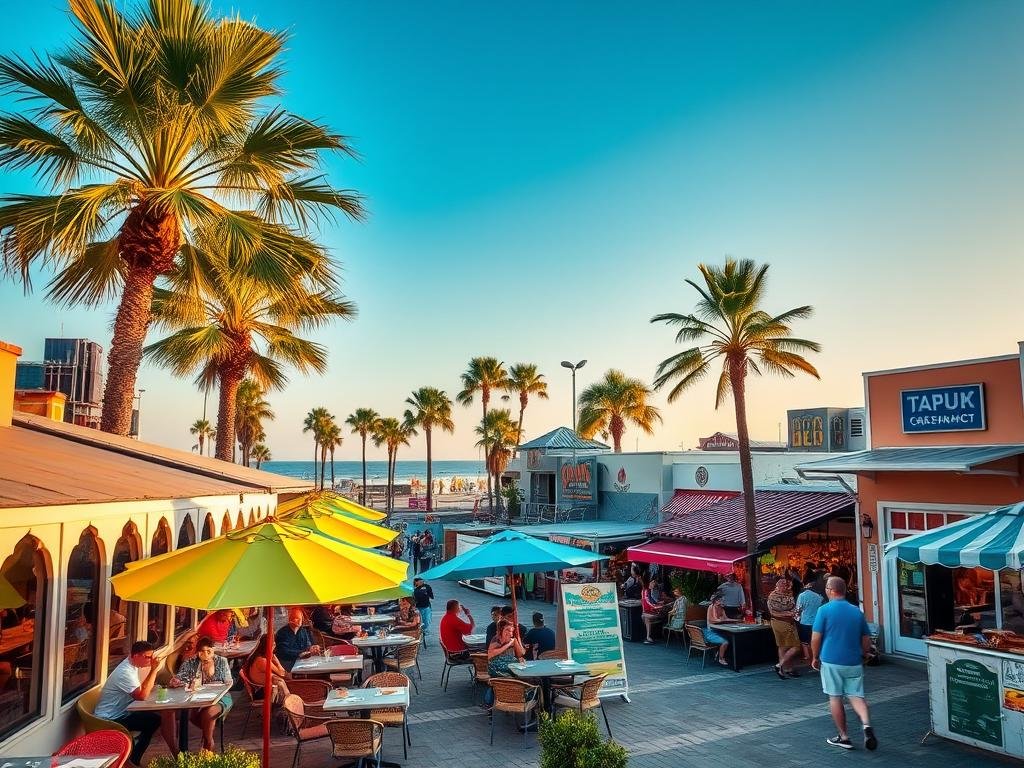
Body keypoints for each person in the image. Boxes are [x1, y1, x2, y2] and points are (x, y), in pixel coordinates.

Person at [812, 577, 877, 751]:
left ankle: (844, 736)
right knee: (856, 696)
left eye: (826, 588)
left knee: (835, 697)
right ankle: (866, 724)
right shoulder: (856, 611)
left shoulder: (824, 610)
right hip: (853, 660)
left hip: (831, 660)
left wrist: (814, 656)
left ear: (830, 590)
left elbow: (816, 637)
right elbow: (866, 638)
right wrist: (864, 655)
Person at [94, 641, 178, 766]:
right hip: (109, 718)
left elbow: (141, 690)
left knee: (155, 720)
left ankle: (134, 758)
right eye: (147, 657)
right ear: (135, 656)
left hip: (122, 713)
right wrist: (154, 670)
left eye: (152, 656)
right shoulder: (125, 672)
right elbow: (142, 696)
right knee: (155, 721)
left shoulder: (132, 666)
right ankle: (132, 759)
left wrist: (162, 684)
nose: (151, 660)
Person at [172, 636, 233, 752]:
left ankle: (208, 743)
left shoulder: (221, 661)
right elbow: (180, 678)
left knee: (208, 713)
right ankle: (206, 737)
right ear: (197, 652)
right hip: (196, 698)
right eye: (202, 651)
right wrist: (176, 681)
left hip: (220, 697)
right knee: (189, 714)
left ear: (213, 650)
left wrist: (209, 668)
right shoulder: (190, 662)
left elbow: (228, 681)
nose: (205, 654)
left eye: (208, 651)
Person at [767, 578, 802, 679]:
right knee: (794, 646)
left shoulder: (789, 593)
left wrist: (793, 612)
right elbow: (773, 612)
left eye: (785, 583)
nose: (784, 585)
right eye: (782, 583)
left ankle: (786, 669)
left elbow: (793, 606)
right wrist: (788, 613)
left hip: (789, 621)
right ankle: (781, 665)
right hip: (780, 622)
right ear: (777, 585)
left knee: (784, 646)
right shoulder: (773, 596)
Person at [246, 635, 290, 703]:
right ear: (268, 646)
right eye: (273, 645)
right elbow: (282, 673)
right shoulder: (262, 661)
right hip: (263, 691)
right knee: (282, 681)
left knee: (281, 681)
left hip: (262, 688)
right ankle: (288, 704)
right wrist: (277, 662)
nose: (274, 648)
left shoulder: (258, 657)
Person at [796, 576, 825, 663]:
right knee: (816, 639)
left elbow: (798, 608)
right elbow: (822, 604)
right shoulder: (818, 596)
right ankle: (817, 655)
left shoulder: (802, 596)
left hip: (805, 621)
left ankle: (807, 656)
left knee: (805, 641)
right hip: (816, 621)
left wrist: (796, 618)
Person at [641, 578, 670, 644]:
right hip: (652, 610)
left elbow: (655, 601)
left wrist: (660, 603)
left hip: (655, 610)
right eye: (652, 582)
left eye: (654, 583)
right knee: (645, 617)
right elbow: (649, 602)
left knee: (646, 617)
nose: (654, 584)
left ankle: (648, 637)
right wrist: (658, 606)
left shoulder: (654, 590)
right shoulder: (646, 591)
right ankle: (648, 636)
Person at [704, 595, 730, 666]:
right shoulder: (711, 607)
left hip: (719, 631)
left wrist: (736, 620)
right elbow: (711, 620)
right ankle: (721, 659)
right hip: (711, 632)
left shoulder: (721, 608)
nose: (723, 601)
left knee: (732, 638)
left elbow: (726, 618)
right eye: (721, 600)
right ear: (716, 601)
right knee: (725, 642)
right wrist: (720, 620)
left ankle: (721, 654)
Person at [413, 577, 434, 643]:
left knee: (426, 622)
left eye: (421, 580)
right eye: (419, 581)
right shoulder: (413, 589)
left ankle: (423, 632)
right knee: (420, 622)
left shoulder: (427, 586)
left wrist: (427, 594)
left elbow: (431, 596)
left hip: (426, 607)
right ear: (416, 582)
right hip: (418, 608)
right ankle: (421, 633)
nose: (421, 582)